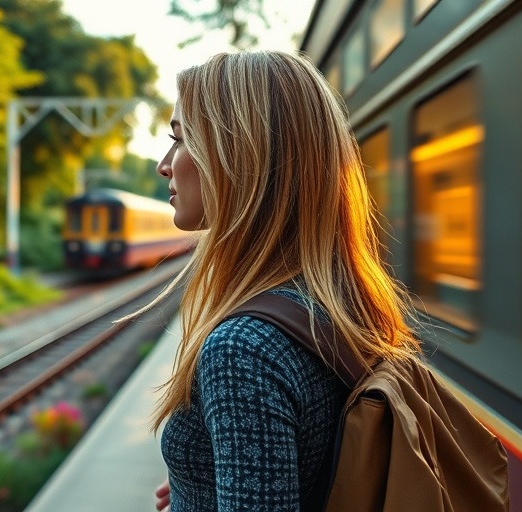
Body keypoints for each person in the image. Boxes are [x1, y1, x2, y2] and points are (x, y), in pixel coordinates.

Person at [142, 50, 422, 511]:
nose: (165, 164)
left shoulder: (243, 349)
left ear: (240, 156)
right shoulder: (336, 302)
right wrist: (204, 481)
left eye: (182, 138)